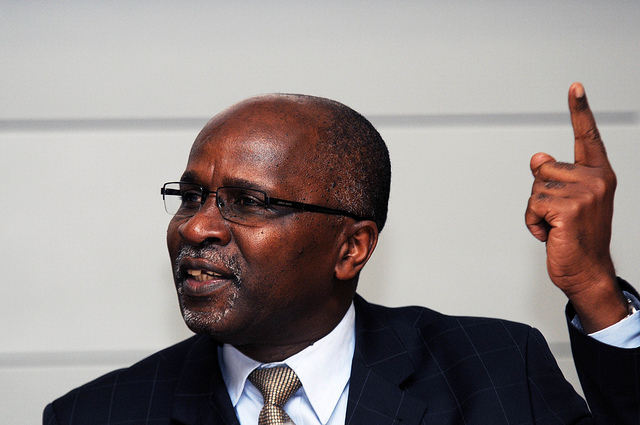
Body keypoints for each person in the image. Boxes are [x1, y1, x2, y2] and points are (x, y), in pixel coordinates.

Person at [44, 83, 640, 424]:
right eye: (191, 197)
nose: (196, 227)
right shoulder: (96, 415)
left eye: (248, 202)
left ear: (352, 247)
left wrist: (594, 288)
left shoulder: (497, 372)